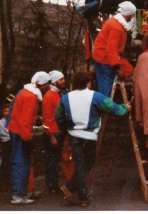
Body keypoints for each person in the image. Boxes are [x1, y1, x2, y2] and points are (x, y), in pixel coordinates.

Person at [55, 71, 132, 206]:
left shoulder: (66, 98)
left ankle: (71, 188)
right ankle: (82, 197)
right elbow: (112, 108)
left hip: (73, 135)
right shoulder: (95, 96)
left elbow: (59, 117)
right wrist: (125, 108)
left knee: (81, 164)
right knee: (87, 164)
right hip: (89, 135)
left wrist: (65, 131)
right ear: (88, 83)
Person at [6, 71, 50, 204]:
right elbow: (25, 121)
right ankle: (18, 195)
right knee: (21, 163)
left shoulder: (23, 91)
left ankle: (24, 191)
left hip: (16, 131)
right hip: (21, 133)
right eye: (46, 84)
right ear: (40, 84)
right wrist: (27, 139)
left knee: (23, 162)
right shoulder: (30, 96)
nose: (47, 87)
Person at [92, 1, 136, 96]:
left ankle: (102, 103)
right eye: (132, 15)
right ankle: (106, 105)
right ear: (128, 14)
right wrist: (117, 68)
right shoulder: (117, 27)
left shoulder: (114, 21)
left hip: (99, 55)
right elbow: (111, 49)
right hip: (105, 57)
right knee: (107, 83)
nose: (133, 17)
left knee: (101, 83)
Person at [42, 70, 74, 195]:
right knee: (52, 160)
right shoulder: (48, 96)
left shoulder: (62, 93)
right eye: (61, 80)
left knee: (66, 158)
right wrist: (51, 136)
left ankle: (69, 183)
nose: (64, 81)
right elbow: (46, 119)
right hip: (53, 133)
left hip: (62, 131)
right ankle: (52, 186)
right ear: (55, 82)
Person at [0, 104, 11, 187]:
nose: (7, 113)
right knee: (5, 161)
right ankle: (4, 181)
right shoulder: (1, 123)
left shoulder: (13, 121)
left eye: (8, 111)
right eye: (5, 111)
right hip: (5, 143)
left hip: (12, 142)